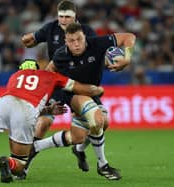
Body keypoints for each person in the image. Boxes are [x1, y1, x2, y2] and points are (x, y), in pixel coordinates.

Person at [24, 23, 136, 180]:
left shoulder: (97, 44)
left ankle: (39, 147)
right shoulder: (61, 55)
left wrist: (127, 58)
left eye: (79, 39)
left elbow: (129, 37)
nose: (76, 44)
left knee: (91, 129)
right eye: (71, 41)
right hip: (71, 93)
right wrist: (48, 101)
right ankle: (103, 165)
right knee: (96, 120)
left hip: (91, 92)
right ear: (65, 41)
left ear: (85, 37)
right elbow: (48, 75)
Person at [22, 0, 99, 175]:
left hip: (80, 86)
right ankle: (25, 163)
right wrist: (27, 39)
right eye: (61, 17)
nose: (63, 20)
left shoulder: (87, 32)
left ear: (75, 17)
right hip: (57, 84)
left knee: (95, 125)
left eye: (67, 17)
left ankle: (79, 149)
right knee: (43, 123)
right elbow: (32, 40)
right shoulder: (50, 28)